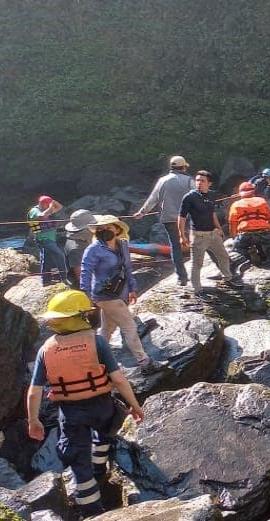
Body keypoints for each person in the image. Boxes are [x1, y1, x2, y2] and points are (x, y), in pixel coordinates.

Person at [27, 290, 144, 517]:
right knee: (105, 432)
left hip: (70, 413)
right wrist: (135, 405)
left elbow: (35, 391)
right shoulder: (96, 341)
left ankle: (92, 511)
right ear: (83, 316)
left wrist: (34, 420)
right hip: (101, 406)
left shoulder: (46, 349)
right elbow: (118, 379)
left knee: (78, 461)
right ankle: (100, 468)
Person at [80, 215, 161, 373]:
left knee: (106, 328)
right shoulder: (93, 249)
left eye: (107, 228)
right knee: (129, 326)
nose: (104, 231)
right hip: (104, 295)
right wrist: (86, 294)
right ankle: (144, 361)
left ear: (117, 229)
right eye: (100, 229)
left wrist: (132, 288)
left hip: (120, 291)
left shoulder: (122, 244)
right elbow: (85, 272)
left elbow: (128, 268)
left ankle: (93, 359)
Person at [178, 170, 242, 295]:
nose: (199, 183)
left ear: (209, 183)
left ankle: (228, 278)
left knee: (223, 256)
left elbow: (212, 213)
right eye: (197, 180)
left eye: (202, 181)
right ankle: (197, 289)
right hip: (198, 236)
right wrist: (182, 236)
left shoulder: (211, 196)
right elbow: (181, 217)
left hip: (213, 234)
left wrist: (219, 228)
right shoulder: (189, 197)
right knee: (197, 264)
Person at [134, 155, 194, 286]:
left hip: (169, 219)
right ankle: (196, 273)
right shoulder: (189, 180)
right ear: (183, 167)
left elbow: (153, 199)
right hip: (187, 218)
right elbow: (197, 197)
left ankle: (181, 277)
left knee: (175, 246)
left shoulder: (162, 180)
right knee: (195, 243)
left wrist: (142, 212)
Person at [228, 181, 270, 263]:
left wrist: (235, 238)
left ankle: (247, 261)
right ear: (253, 191)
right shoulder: (262, 201)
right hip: (264, 234)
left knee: (237, 250)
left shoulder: (236, 204)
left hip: (245, 235)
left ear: (240, 193)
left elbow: (232, 224)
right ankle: (265, 257)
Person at [28, 195, 67, 286]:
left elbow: (60, 207)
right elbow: (42, 216)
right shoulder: (34, 211)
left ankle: (45, 280)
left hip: (50, 238)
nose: (50, 207)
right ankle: (64, 278)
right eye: (48, 204)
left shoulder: (46, 210)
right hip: (43, 239)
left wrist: (52, 201)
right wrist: (50, 207)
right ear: (42, 204)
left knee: (46, 260)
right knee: (60, 255)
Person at [64, 210, 97, 289]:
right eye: (93, 226)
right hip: (82, 289)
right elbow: (82, 277)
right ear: (85, 229)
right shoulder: (76, 249)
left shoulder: (82, 240)